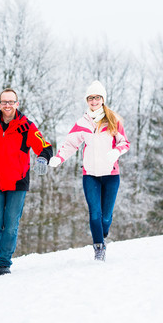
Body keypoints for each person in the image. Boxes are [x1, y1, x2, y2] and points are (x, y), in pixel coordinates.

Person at [0, 88, 53, 275]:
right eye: (4, 102)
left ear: (17, 104)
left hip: (18, 183)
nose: (7, 105)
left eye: (11, 102)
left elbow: (44, 146)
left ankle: (4, 262)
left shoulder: (26, 126)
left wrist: (42, 158)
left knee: (10, 225)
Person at [48, 80, 130, 261]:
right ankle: (99, 247)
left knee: (106, 218)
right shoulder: (82, 123)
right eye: (91, 98)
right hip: (90, 175)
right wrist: (59, 158)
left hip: (111, 175)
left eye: (97, 97)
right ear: (87, 100)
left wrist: (115, 152)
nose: (94, 101)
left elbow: (125, 143)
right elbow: (71, 144)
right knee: (95, 213)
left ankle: (103, 231)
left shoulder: (113, 120)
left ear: (103, 99)